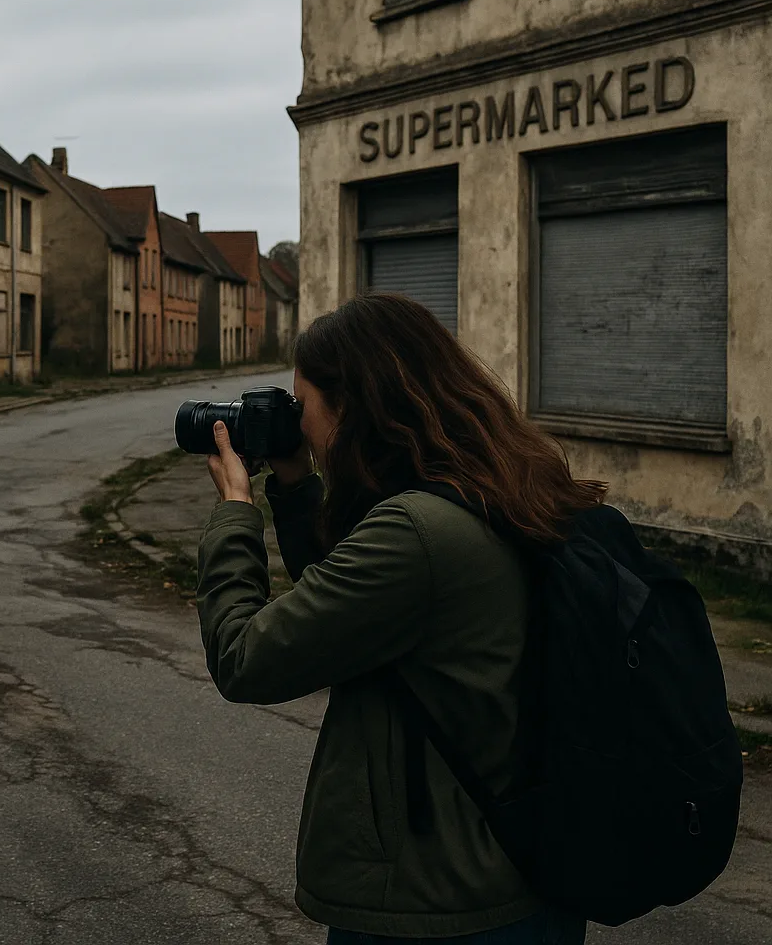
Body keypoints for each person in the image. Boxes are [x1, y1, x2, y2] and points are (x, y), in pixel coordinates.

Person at [196, 292, 604, 944]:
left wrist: (236, 512)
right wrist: (298, 487)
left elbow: (245, 659)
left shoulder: (416, 532)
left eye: (305, 407)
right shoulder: (497, 489)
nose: (299, 424)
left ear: (352, 408)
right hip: (522, 877)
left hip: (437, 905)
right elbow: (354, 604)